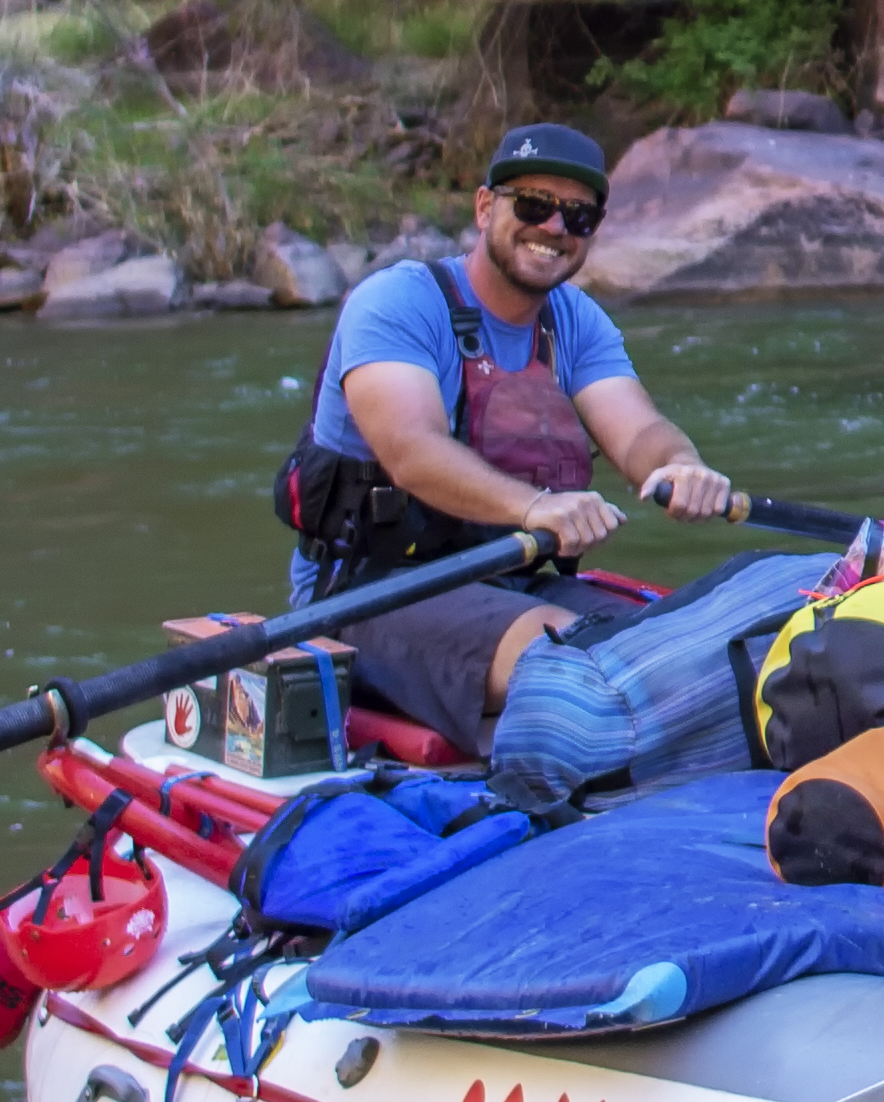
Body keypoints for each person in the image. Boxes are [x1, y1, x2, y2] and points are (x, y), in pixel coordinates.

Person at [275, 124, 733, 749]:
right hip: (367, 593)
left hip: (508, 583)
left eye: (577, 216)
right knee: (569, 655)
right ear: (486, 207)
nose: (554, 229)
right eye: (535, 206)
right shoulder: (398, 301)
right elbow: (411, 451)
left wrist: (680, 465)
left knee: (695, 650)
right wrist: (535, 506)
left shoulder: (575, 320)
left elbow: (640, 433)